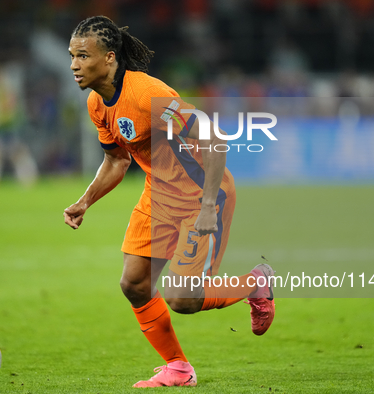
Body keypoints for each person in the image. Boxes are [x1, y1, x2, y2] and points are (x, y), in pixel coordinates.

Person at [63, 16, 275, 388]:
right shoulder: (97, 104)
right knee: (134, 283)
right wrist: (86, 201)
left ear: (109, 58)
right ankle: (177, 366)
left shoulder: (148, 95)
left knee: (182, 297)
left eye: (83, 56)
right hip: (158, 193)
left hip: (201, 195)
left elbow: (212, 138)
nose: (74, 65)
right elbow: (117, 159)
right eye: (71, 55)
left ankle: (254, 284)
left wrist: (209, 205)